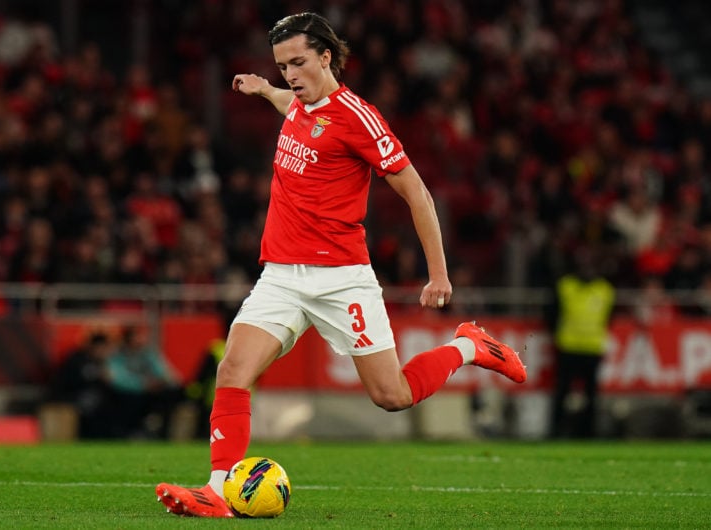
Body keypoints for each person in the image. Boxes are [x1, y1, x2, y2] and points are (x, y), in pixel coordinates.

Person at [155, 12, 526, 518]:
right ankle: (216, 491)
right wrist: (265, 89)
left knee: (391, 395)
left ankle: (469, 346)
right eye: (282, 65)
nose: (290, 74)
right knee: (233, 368)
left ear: (326, 57)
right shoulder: (298, 105)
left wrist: (438, 273)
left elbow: (416, 191)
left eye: (298, 63)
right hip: (281, 275)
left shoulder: (359, 117)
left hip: (340, 279)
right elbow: (293, 107)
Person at [547, 245, 615, 439]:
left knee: (591, 396)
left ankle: (588, 433)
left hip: (592, 348)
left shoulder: (605, 289)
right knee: (562, 392)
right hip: (568, 346)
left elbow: (609, 317)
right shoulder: (565, 286)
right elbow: (552, 315)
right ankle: (556, 431)